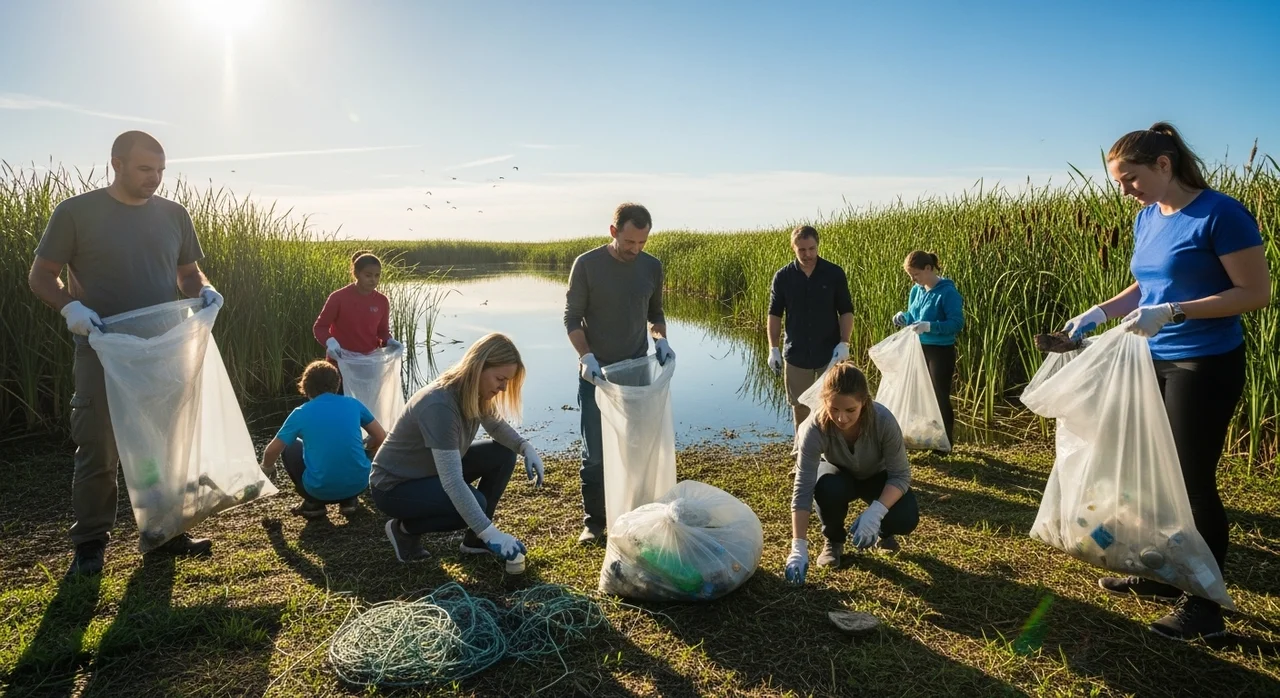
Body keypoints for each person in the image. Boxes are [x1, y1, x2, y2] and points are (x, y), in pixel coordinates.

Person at [1062, 122, 1270, 641]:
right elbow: (1145, 287)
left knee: (1190, 481)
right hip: (1148, 359)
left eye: (1130, 179)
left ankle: (1204, 607)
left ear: (1163, 164)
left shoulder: (1221, 214)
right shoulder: (1148, 216)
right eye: (1118, 183)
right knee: (1150, 472)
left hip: (1203, 362)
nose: (1125, 191)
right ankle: (1160, 570)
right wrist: (1099, 312)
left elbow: (1254, 293)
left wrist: (1176, 311)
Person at [27, 130, 225, 577]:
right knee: (98, 447)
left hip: (163, 350)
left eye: (160, 170)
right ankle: (90, 545)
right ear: (116, 164)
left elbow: (189, 274)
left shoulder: (175, 215)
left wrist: (205, 290)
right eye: (144, 169)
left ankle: (164, 531)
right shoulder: (76, 212)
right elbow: (41, 276)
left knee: (163, 443)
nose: (155, 178)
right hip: (102, 350)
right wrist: (70, 308)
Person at [368, 333, 545, 568]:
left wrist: (525, 447)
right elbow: (451, 481)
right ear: (479, 368)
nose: (503, 388)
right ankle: (403, 531)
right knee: (473, 504)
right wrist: (491, 532)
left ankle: (475, 541)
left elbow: (495, 426)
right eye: (500, 379)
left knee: (503, 454)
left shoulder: (474, 393)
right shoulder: (440, 404)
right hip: (394, 486)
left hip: (429, 471)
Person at [564, 202, 673, 545]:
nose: (635, 249)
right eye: (629, 242)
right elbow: (571, 318)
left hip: (637, 374)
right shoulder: (587, 265)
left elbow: (655, 313)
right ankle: (594, 522)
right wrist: (586, 356)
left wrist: (661, 340)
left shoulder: (652, 267)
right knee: (595, 454)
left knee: (637, 448)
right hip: (596, 375)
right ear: (613, 231)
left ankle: (634, 514)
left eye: (642, 242)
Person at [784, 362, 919, 583]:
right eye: (834, 409)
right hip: (838, 472)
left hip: (876, 475)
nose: (841, 418)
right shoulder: (813, 428)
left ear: (864, 402)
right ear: (824, 401)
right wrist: (798, 546)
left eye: (850, 410)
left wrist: (876, 513)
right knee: (826, 487)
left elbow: (900, 476)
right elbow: (802, 488)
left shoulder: (884, 421)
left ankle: (883, 533)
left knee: (906, 517)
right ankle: (833, 540)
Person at [258, 361, 387, 519]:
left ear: (305, 387)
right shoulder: (353, 404)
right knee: (360, 444)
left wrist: (267, 468)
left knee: (289, 446)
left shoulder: (300, 413)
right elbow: (381, 436)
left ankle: (314, 504)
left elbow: (271, 451)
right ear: (337, 383)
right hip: (359, 484)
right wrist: (367, 451)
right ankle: (349, 501)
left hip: (319, 490)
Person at [767, 225, 854, 430]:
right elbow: (774, 314)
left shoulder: (833, 273)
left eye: (812, 249)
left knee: (834, 403)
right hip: (796, 352)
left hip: (830, 352)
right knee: (800, 405)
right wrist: (773, 348)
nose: (807, 254)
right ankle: (802, 444)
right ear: (793, 248)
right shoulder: (783, 277)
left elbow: (846, 311)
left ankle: (831, 444)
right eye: (802, 250)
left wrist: (844, 342)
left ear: (817, 246)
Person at [891, 250, 965, 451]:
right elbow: (914, 317)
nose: (913, 279)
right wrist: (904, 318)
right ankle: (923, 436)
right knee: (917, 393)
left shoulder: (948, 293)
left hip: (940, 351)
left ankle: (945, 443)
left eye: (916, 274)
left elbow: (956, 323)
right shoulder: (916, 290)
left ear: (928, 268)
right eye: (910, 275)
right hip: (918, 347)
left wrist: (930, 326)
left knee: (939, 395)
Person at [314, 251, 402, 360]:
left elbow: (382, 331)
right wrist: (330, 342)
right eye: (368, 275)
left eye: (377, 275)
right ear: (356, 274)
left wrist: (390, 342)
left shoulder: (382, 301)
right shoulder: (338, 298)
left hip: (370, 361)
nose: (373, 280)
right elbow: (320, 327)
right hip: (340, 360)